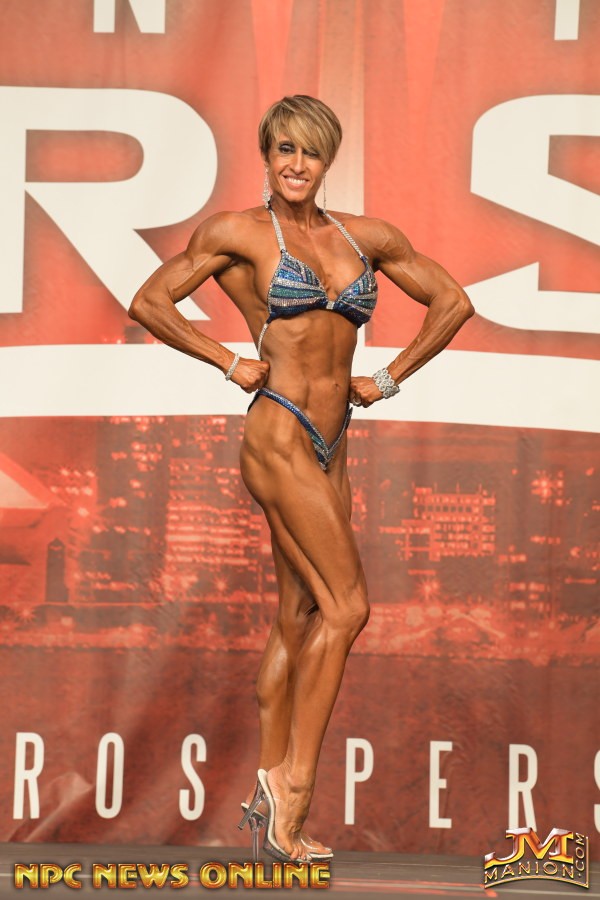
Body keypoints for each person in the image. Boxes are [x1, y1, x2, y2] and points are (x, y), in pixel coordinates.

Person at [128, 95, 474, 862]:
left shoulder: (366, 236)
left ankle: (264, 786)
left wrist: (388, 377)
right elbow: (149, 300)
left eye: (310, 152)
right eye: (284, 148)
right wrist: (227, 360)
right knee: (347, 608)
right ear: (266, 154)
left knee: (298, 615)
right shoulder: (238, 233)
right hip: (279, 432)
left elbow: (454, 302)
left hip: (333, 441)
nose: (296, 163)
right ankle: (293, 792)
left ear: (327, 161)